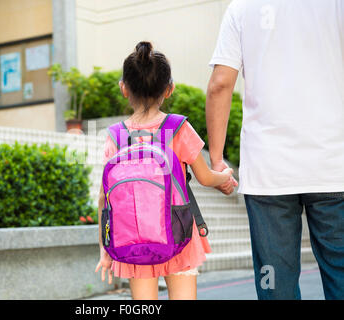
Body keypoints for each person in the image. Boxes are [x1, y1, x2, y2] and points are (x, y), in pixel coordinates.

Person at [206, 0, 344, 299]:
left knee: (275, 285)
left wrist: (216, 160)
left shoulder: (242, 9)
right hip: (334, 166)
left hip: (269, 173)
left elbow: (220, 84)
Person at [95, 41, 234, 300]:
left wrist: (105, 247)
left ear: (124, 88)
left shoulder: (116, 136)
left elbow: (105, 197)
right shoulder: (177, 127)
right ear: (169, 89)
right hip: (178, 231)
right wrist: (224, 177)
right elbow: (205, 178)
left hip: (132, 240)